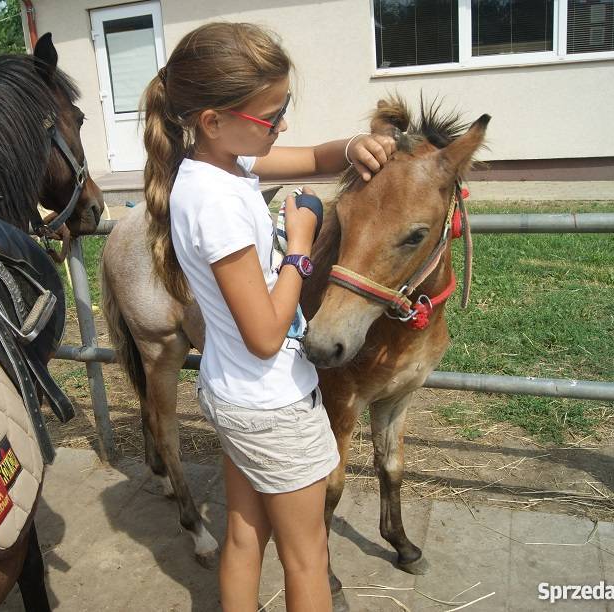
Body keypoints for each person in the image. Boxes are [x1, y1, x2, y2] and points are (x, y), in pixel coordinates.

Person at [141, 22, 395, 611]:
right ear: (213, 119)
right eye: (271, 115)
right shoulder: (221, 203)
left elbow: (310, 156)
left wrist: (352, 146)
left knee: (243, 534)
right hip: (273, 405)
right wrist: (299, 245)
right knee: (307, 559)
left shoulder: (218, 167)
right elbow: (264, 334)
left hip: (236, 398)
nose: (281, 126)